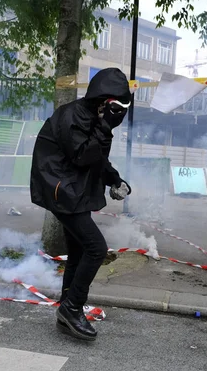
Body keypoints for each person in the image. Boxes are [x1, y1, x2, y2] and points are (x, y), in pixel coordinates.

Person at [31, 68, 132, 341]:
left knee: (78, 251)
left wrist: (114, 179)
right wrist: (105, 127)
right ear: (104, 100)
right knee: (96, 248)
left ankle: (67, 312)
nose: (119, 113)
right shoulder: (74, 115)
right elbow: (82, 156)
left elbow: (97, 157)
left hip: (73, 190)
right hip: (63, 192)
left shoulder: (94, 118)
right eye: (116, 107)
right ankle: (72, 308)